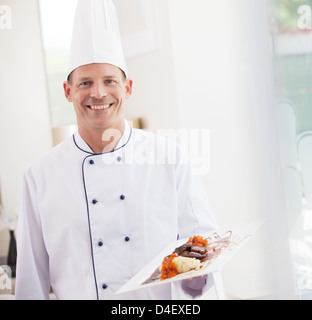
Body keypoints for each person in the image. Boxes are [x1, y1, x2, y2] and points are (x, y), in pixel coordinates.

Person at [15, 0, 218, 300]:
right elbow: (31, 284)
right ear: (68, 91)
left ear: (128, 88)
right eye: (85, 82)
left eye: (110, 80)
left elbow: (204, 263)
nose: (98, 93)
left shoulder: (170, 159)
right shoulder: (39, 176)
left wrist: (200, 272)